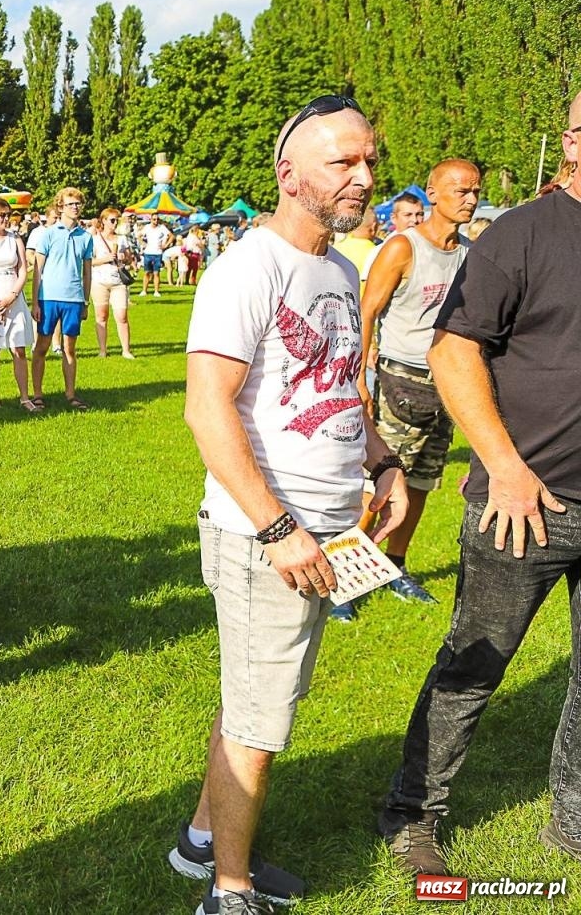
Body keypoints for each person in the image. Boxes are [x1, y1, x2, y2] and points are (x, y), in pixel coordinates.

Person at [176, 95, 408, 915]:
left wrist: (380, 461)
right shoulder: (249, 266)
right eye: (344, 162)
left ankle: (201, 841)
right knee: (260, 721)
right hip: (265, 536)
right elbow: (207, 408)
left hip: (324, 529)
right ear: (289, 175)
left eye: (369, 160)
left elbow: (342, 380)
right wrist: (279, 528)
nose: (365, 177)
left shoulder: (340, 268)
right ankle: (228, 892)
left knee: (256, 697)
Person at [378, 93, 581, 878]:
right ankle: (413, 813)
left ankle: (572, 820)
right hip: (521, 502)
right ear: (570, 142)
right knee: (472, 663)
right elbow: (454, 350)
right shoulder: (524, 233)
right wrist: (504, 465)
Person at [348, 159, 479, 619]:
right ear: (433, 193)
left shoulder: (469, 252)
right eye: (461, 190)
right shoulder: (402, 247)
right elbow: (365, 313)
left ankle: (394, 565)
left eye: (475, 190)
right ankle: (346, 576)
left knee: (422, 481)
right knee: (382, 481)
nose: (470, 198)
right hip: (400, 380)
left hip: (446, 383)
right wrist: (360, 378)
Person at [28, 188, 95, 411]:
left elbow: (87, 272)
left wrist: (85, 301)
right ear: (60, 207)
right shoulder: (48, 234)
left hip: (73, 299)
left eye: (77, 204)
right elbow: (37, 269)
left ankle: (70, 394)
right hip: (49, 298)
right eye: (70, 204)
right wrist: (35, 301)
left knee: (69, 348)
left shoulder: (86, 237)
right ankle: (37, 394)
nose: (75, 207)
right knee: (42, 347)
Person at [0, 199, 33, 408]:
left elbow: (23, 270)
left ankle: (25, 397)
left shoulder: (15, 239)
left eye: (8, 214)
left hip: (13, 295)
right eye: (1, 215)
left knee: (18, 348)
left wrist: (12, 296)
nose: (6, 219)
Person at [90, 206, 136, 360]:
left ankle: (126, 350)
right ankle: (102, 350)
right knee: (101, 316)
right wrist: (105, 259)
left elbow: (130, 259)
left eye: (117, 220)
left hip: (118, 281)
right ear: (104, 221)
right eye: (112, 220)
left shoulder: (121, 239)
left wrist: (124, 258)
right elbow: (89, 262)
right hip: (100, 281)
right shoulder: (95, 239)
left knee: (122, 315)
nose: (115, 223)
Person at [140, 215, 171, 296]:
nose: (156, 221)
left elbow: (171, 236)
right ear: (151, 220)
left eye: (157, 219)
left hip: (158, 253)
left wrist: (166, 245)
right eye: (154, 219)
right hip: (148, 252)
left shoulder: (162, 228)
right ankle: (144, 290)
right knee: (146, 272)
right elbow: (138, 236)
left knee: (156, 273)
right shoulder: (147, 227)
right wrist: (143, 243)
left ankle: (156, 291)